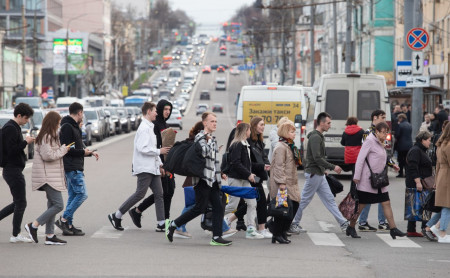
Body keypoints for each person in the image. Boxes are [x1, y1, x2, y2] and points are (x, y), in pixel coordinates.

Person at [165, 112, 231, 246]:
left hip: (212, 179)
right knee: (199, 208)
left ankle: (217, 237)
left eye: (216, 121)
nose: (215, 124)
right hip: (202, 180)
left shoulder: (212, 138)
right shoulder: (200, 137)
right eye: (212, 121)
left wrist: (221, 173)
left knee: (218, 207)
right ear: (205, 123)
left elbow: (213, 161)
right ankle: (173, 225)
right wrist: (208, 142)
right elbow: (204, 153)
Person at [108, 102, 169, 231]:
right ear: (148, 112)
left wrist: (160, 163)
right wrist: (159, 152)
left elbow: (153, 148)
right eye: (154, 111)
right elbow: (143, 148)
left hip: (153, 167)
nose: (156, 113)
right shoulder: (144, 128)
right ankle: (117, 215)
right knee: (140, 194)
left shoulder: (150, 127)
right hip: (144, 167)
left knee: (159, 194)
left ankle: (161, 223)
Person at [289, 112, 349, 233]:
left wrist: (324, 170)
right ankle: (293, 223)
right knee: (305, 200)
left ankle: (343, 223)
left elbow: (317, 158)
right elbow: (317, 158)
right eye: (328, 123)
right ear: (321, 123)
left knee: (329, 199)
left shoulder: (318, 136)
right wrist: (333, 167)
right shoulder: (316, 137)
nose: (330, 125)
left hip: (318, 173)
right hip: (314, 173)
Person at [175, 122, 236, 239]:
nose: (214, 124)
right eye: (212, 122)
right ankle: (177, 226)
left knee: (210, 205)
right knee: (196, 206)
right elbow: (201, 157)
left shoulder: (206, 140)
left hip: (207, 178)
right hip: (198, 178)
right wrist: (209, 145)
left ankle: (220, 232)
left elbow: (210, 161)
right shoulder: (195, 142)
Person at [347, 122, 406, 239]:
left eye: (386, 132)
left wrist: (393, 165)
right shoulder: (369, 141)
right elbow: (360, 159)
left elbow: (383, 158)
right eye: (383, 132)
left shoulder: (381, 143)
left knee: (386, 203)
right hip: (367, 180)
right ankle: (351, 227)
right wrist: (357, 177)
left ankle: (393, 229)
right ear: (377, 132)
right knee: (361, 206)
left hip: (380, 180)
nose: (385, 135)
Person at [129, 99, 175, 231]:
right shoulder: (153, 125)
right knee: (162, 192)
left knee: (166, 191)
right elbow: (151, 146)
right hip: (156, 162)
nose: (167, 112)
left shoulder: (164, 124)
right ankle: (163, 220)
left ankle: (139, 211)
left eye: (169, 110)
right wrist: (160, 164)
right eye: (165, 109)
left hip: (162, 162)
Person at [24, 111, 69, 245]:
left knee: (52, 204)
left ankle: (49, 236)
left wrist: (62, 149)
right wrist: (63, 150)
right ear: (53, 123)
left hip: (50, 175)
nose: (59, 125)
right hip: (47, 176)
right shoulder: (46, 136)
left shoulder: (50, 136)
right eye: (58, 122)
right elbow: (47, 156)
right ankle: (34, 225)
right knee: (59, 205)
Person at [55, 102, 98, 236]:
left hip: (75, 165)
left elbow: (76, 147)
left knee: (73, 195)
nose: (83, 116)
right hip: (72, 167)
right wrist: (82, 153)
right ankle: (63, 219)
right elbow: (66, 149)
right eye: (83, 113)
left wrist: (88, 152)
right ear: (79, 113)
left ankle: (69, 225)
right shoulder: (67, 127)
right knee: (82, 194)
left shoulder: (73, 126)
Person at [226, 117, 272, 238]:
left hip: (247, 178)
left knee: (252, 203)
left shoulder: (246, 144)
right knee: (232, 205)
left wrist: (262, 167)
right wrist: (249, 174)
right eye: (248, 130)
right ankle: (216, 216)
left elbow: (248, 163)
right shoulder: (237, 144)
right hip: (238, 178)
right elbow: (236, 163)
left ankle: (251, 229)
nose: (250, 132)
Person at [358, 109, 399, 232]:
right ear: (374, 118)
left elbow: (384, 152)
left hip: (381, 171)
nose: (384, 119)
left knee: (383, 198)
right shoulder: (368, 134)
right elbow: (365, 154)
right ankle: (361, 222)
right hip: (371, 172)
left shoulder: (383, 132)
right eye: (382, 117)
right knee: (367, 199)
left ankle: (382, 222)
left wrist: (391, 164)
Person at [0, 103, 35, 243]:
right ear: (19, 115)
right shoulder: (10, 128)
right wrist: (25, 142)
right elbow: (11, 150)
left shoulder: (14, 127)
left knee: (18, 202)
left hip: (13, 169)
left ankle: (16, 234)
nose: (27, 121)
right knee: (21, 202)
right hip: (12, 170)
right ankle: (15, 235)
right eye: (26, 118)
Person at [269, 121, 302, 244]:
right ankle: (278, 233)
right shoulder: (280, 147)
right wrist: (282, 183)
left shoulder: (289, 145)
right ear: (285, 133)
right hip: (283, 184)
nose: (294, 134)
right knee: (283, 210)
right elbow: (278, 166)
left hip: (291, 182)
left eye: (294, 131)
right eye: (292, 132)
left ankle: (280, 232)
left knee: (292, 207)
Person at [404, 131, 433, 238]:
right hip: (417, 183)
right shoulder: (416, 150)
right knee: (420, 206)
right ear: (423, 140)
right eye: (429, 140)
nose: (430, 143)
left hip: (422, 182)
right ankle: (422, 228)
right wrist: (417, 182)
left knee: (419, 206)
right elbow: (413, 166)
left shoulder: (420, 150)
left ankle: (414, 229)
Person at [428, 123, 450, 243]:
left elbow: (437, 165)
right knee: (447, 205)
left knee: (446, 204)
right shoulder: (449, 145)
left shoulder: (441, 145)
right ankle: (441, 232)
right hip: (448, 176)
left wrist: (436, 180)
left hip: (442, 174)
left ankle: (434, 227)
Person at [340, 116, 364, 191]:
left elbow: (342, 143)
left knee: (354, 173)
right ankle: (353, 192)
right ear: (356, 122)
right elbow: (364, 142)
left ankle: (353, 192)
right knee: (355, 174)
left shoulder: (345, 132)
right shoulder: (361, 131)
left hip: (348, 155)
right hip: (357, 155)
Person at [396, 113, 413, 178]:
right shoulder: (409, 125)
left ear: (401, 118)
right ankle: (407, 173)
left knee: (400, 160)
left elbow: (397, 135)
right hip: (409, 145)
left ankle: (400, 173)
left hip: (401, 145)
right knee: (407, 160)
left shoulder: (400, 125)